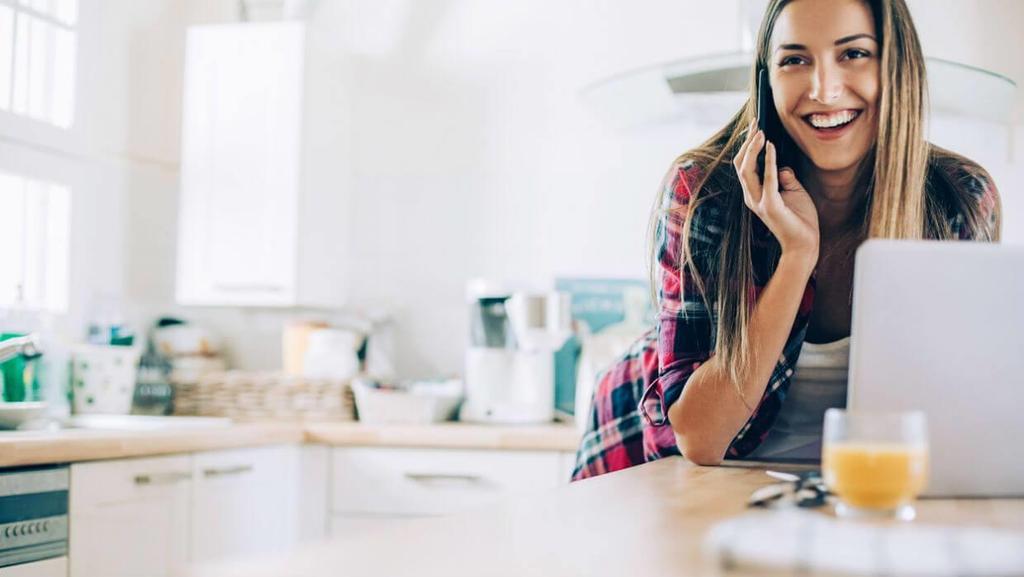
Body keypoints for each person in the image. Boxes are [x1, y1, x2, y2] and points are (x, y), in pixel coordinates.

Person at [571, 0, 1000, 480]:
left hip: (854, 490)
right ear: (765, 82)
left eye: (854, 54)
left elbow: (962, 413)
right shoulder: (705, 192)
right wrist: (797, 257)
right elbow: (700, 439)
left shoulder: (958, 199)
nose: (823, 89)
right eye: (794, 60)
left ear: (898, 68)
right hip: (661, 472)